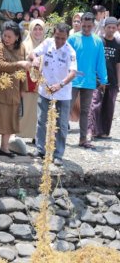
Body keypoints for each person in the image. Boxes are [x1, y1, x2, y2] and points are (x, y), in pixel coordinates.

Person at [29, 23, 77, 166]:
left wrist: (60, 84)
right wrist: (35, 59)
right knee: (41, 120)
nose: (59, 41)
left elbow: (73, 73)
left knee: (61, 125)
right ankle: (40, 150)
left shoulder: (70, 52)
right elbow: (32, 53)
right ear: (53, 35)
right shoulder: (47, 43)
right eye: (57, 38)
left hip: (62, 93)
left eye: (63, 38)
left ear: (67, 37)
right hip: (45, 90)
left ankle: (58, 155)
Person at [0, 21, 30, 157]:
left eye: (9, 36)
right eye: (4, 35)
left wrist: (24, 87)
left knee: (12, 119)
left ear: (17, 37)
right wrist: (18, 63)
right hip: (0, 87)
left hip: (15, 88)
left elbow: (24, 70)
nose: (6, 39)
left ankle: (4, 147)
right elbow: (0, 64)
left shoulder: (21, 48)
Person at [67, 12, 108, 149]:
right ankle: (57, 138)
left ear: (93, 25)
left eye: (89, 26)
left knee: (85, 111)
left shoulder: (97, 41)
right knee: (66, 109)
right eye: (83, 25)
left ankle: (83, 139)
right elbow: (65, 58)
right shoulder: (72, 39)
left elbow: (100, 62)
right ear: (81, 22)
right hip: (72, 80)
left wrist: (103, 79)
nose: (85, 28)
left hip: (89, 82)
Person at [88, 17, 119, 140]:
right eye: (109, 27)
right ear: (104, 27)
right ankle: (91, 131)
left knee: (109, 107)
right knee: (95, 105)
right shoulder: (98, 41)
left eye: (113, 27)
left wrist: (118, 82)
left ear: (116, 28)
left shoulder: (118, 44)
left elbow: (118, 64)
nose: (111, 30)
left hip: (112, 80)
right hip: (98, 80)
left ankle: (104, 132)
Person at [18, 19, 45, 141]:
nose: (38, 32)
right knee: (25, 111)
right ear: (31, 30)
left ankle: (37, 136)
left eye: (40, 29)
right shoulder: (24, 45)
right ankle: (19, 136)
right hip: (27, 83)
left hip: (42, 84)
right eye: (35, 29)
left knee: (39, 112)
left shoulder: (47, 45)